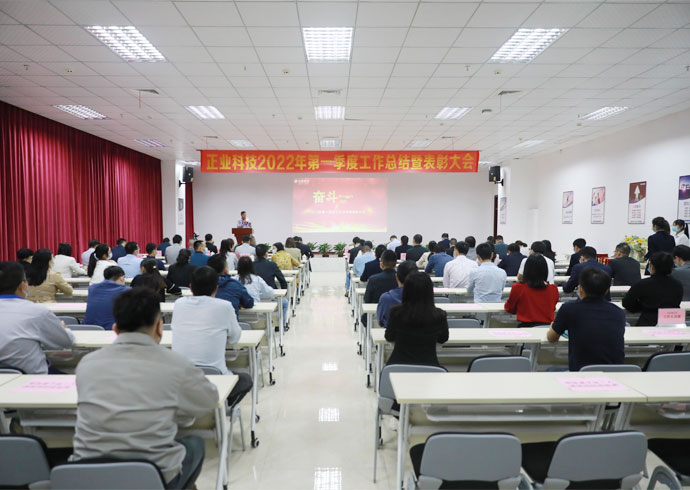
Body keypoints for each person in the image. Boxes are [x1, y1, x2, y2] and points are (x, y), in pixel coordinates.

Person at [71, 288, 218, 489]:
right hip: (150, 476)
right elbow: (209, 401)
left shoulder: (87, 363)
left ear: (115, 329)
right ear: (159, 327)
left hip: (87, 475)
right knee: (195, 444)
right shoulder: (176, 364)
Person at [171, 266, 251, 409]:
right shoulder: (224, 306)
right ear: (216, 288)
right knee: (245, 379)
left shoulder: (179, 304)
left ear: (190, 287)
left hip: (180, 377)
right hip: (215, 377)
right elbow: (235, 338)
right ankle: (225, 407)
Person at [0, 261, 75, 373]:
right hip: (30, 378)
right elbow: (66, 341)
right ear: (22, 285)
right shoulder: (37, 312)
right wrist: (64, 329)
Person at [547, 267, 625, 371]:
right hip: (615, 374)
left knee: (550, 370)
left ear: (580, 289)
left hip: (582, 373)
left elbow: (551, 338)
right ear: (607, 290)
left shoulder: (569, 309)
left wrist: (552, 326)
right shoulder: (618, 312)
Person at [385, 272, 449, 367]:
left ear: (406, 290)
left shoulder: (396, 313)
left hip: (398, 366)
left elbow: (389, 337)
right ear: (430, 291)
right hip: (429, 366)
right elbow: (443, 338)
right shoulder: (439, 315)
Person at [623, 251, 683, 326]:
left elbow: (627, 303)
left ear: (651, 267)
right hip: (673, 323)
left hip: (648, 322)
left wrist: (642, 306)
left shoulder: (642, 284)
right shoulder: (677, 284)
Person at [504, 255, 560, 327]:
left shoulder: (518, 288)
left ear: (526, 270)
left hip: (526, 327)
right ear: (545, 270)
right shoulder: (553, 289)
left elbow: (509, 308)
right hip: (547, 328)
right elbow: (553, 308)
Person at [83, 266, 130, 330]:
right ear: (122, 278)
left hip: (88, 328)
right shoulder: (127, 290)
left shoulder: (92, 288)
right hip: (112, 329)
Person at [254, 244, 289, 327]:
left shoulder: (251, 265)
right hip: (270, 296)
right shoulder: (272, 265)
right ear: (266, 253)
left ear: (256, 254)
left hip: (255, 297)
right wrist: (284, 292)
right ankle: (280, 326)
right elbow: (282, 279)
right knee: (285, 303)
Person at [361, 250, 399, 326]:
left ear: (381, 264)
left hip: (376, 314)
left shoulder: (373, 279)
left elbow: (367, 299)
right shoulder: (400, 279)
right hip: (398, 315)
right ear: (396, 263)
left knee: (364, 318)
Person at [377, 261, 417, 328]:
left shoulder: (386, 298)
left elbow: (381, 321)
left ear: (396, 277)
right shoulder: (425, 297)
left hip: (393, 333)